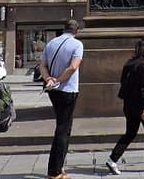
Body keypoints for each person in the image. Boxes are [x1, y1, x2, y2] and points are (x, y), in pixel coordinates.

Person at [105, 39, 144, 174]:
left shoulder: (129, 64)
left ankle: (112, 159)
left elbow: (123, 83)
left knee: (130, 133)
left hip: (129, 104)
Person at [40, 19, 84, 179]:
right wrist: (58, 79)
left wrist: (49, 80)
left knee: (63, 127)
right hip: (68, 90)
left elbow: (42, 65)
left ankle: (59, 167)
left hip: (53, 91)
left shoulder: (51, 43)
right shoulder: (77, 44)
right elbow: (73, 67)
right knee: (63, 129)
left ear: (64, 29)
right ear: (76, 31)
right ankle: (54, 171)